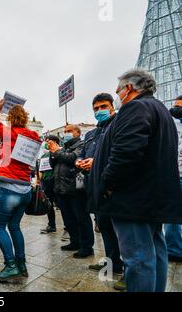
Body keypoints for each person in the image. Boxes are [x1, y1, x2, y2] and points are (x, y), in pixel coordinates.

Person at [90, 69, 182, 292]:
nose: (118, 96)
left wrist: (107, 185)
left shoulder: (136, 107)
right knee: (155, 251)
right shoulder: (159, 109)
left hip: (132, 199)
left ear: (129, 88)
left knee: (138, 258)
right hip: (150, 197)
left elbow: (126, 153)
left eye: (118, 91)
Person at [0, 99, 41, 283]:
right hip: (25, 189)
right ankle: (22, 264)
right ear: (25, 118)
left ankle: (11, 266)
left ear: (10, 118)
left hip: (10, 187)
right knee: (14, 226)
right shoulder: (33, 136)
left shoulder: (9, 133)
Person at [78, 93, 124, 285]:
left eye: (103, 107)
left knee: (122, 231)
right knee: (104, 226)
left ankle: (131, 271)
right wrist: (80, 162)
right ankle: (112, 263)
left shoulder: (119, 124)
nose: (99, 111)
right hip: (95, 186)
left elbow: (119, 152)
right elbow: (81, 154)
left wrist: (96, 162)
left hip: (114, 186)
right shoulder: (92, 133)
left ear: (112, 106)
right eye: (96, 109)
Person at [48, 125, 95, 259]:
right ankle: (75, 242)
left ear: (77, 133)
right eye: (65, 132)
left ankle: (87, 247)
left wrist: (57, 152)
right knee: (69, 219)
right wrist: (53, 154)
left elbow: (73, 159)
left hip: (75, 189)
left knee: (82, 219)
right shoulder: (64, 147)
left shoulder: (81, 145)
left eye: (69, 131)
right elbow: (54, 165)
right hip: (62, 189)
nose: (66, 133)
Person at [164, 95, 182, 263]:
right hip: (174, 175)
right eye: (175, 106)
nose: (176, 109)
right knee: (172, 218)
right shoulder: (171, 124)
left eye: (179, 107)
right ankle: (174, 250)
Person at [37, 136, 60, 234]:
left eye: (48, 141)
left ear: (54, 142)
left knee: (62, 205)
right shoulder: (44, 156)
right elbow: (41, 170)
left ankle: (68, 228)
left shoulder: (60, 152)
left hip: (57, 181)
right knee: (49, 205)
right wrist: (39, 181)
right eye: (45, 141)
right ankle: (51, 225)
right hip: (46, 183)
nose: (46, 143)